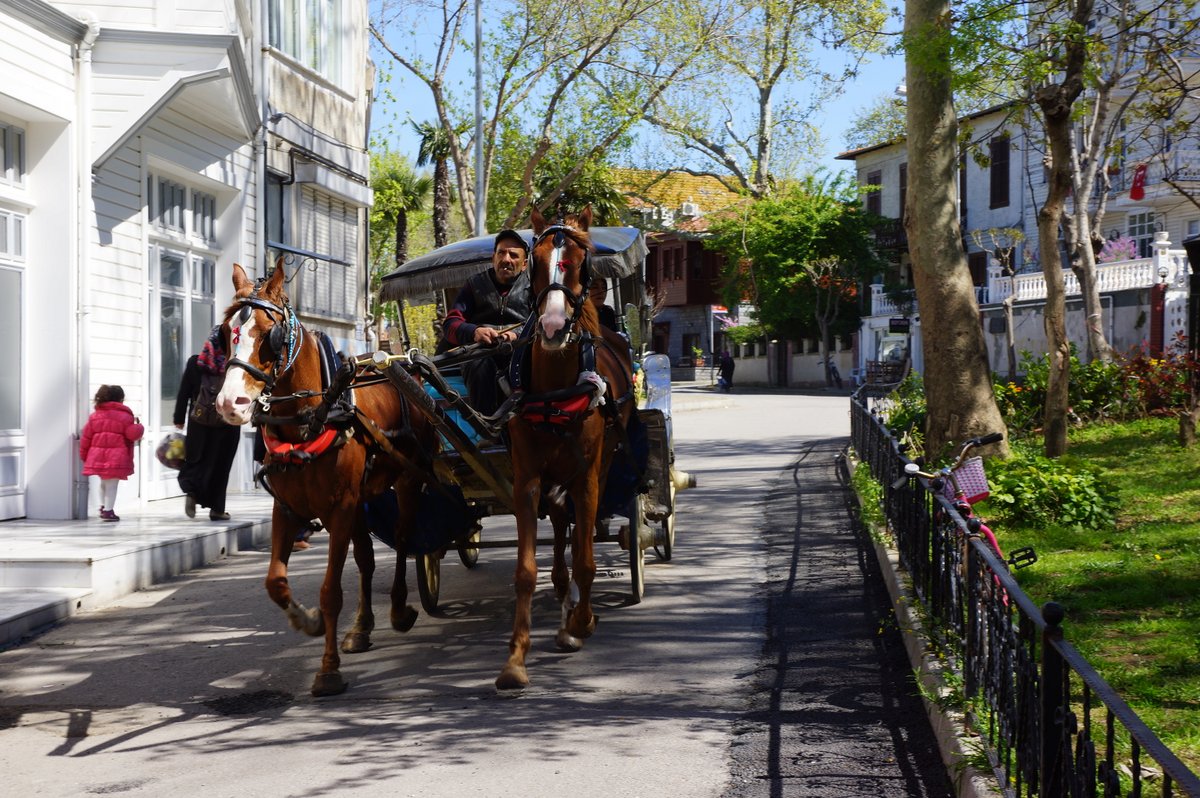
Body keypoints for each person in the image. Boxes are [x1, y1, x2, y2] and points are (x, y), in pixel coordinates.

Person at [441, 229, 533, 416]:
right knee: (478, 363)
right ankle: (486, 427)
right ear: (494, 257)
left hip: (520, 353)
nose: (506, 259)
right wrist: (474, 332)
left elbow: (541, 322)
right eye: (501, 253)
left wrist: (517, 335)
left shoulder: (534, 287)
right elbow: (450, 324)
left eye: (513, 255)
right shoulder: (474, 285)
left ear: (524, 264)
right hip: (480, 354)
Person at [174, 326, 241, 521]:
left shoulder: (196, 362)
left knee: (196, 459)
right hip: (228, 421)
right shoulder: (234, 365)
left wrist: (179, 418)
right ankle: (217, 509)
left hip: (199, 421)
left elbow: (184, 392)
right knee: (221, 465)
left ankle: (192, 491)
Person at [80, 385, 145, 522]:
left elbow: (86, 437)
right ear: (121, 399)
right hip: (116, 457)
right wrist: (139, 427)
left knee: (103, 483)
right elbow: (131, 435)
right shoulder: (125, 416)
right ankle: (109, 511)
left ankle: (103, 507)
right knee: (112, 485)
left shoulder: (95, 416)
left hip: (97, 457)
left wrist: (84, 455)